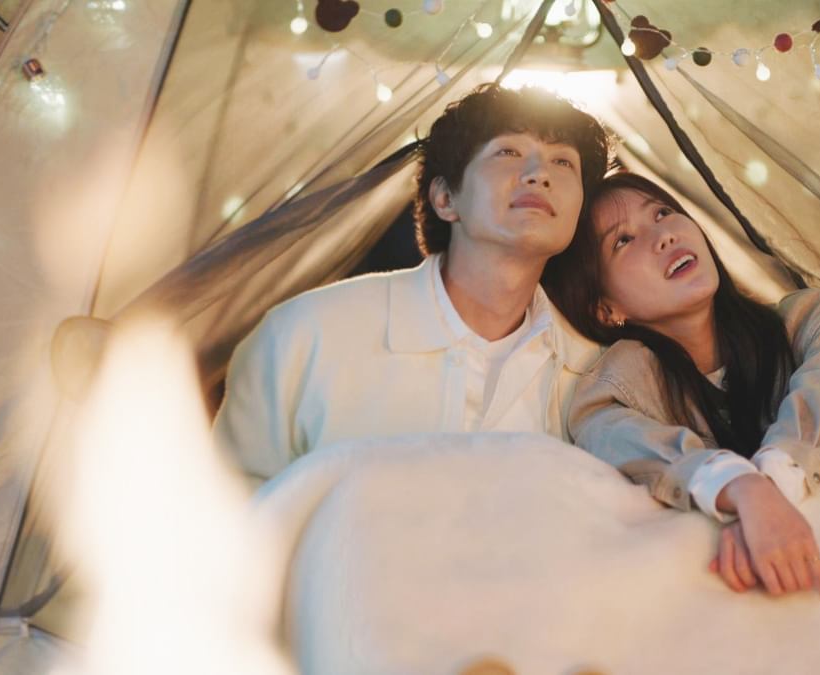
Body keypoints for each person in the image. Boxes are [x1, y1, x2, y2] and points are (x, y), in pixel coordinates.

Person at [545, 172, 820, 600]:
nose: (663, 236)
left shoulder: (813, 320)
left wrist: (767, 491)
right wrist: (738, 488)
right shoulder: (612, 393)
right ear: (605, 309)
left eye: (663, 212)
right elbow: (614, 439)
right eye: (623, 240)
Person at [213, 84, 610, 481]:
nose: (539, 174)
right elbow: (228, 502)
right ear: (445, 199)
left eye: (563, 162)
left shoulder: (593, 375)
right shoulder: (304, 334)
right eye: (508, 152)